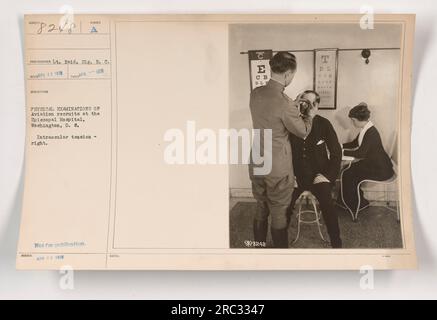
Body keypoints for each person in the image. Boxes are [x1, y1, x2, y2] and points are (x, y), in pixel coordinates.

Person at [249, 51, 312, 248]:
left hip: (258, 160)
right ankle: (280, 257)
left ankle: (258, 249)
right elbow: (302, 132)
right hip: (277, 167)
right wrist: (309, 114)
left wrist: (291, 107)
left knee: (261, 205)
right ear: (287, 74)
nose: (292, 79)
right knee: (278, 210)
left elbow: (271, 113)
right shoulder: (285, 104)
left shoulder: (255, 93)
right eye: (292, 75)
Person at [287, 90, 343, 248]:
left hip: (319, 176)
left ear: (317, 106)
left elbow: (336, 152)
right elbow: (283, 151)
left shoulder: (324, 124)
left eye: (311, 103)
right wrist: (290, 176)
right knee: (283, 205)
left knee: (328, 206)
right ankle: (280, 247)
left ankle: (337, 245)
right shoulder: (291, 123)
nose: (306, 106)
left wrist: (328, 176)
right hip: (295, 177)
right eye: (303, 102)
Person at [339, 102, 395, 214]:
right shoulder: (366, 129)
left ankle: (354, 206)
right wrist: (338, 146)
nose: (352, 123)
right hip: (376, 165)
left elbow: (360, 153)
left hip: (382, 170)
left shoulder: (371, 132)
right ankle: (354, 203)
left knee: (348, 173)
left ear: (359, 120)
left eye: (353, 120)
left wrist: (340, 152)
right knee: (348, 171)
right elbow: (354, 143)